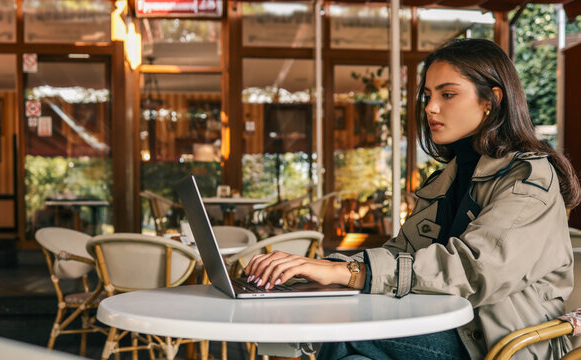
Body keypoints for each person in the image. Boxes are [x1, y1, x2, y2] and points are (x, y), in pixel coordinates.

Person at [243, 38, 581, 360]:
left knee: (346, 331)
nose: (431, 108)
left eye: (448, 94)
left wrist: (348, 273)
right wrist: (317, 269)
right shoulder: (446, 179)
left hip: (500, 343)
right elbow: (400, 254)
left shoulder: (527, 177)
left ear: (491, 101)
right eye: (429, 95)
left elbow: (474, 269)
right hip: (444, 326)